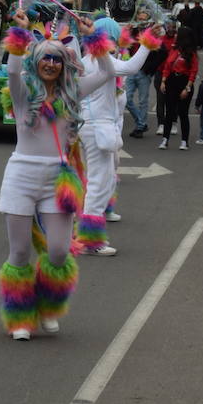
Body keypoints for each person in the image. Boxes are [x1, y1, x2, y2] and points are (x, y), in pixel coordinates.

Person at [0, 11, 105, 341]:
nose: (51, 64)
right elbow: (13, 68)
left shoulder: (73, 94)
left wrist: (94, 39)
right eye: (45, 58)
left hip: (57, 180)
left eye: (57, 59)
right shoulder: (22, 94)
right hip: (21, 176)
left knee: (58, 252)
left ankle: (48, 307)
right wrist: (19, 30)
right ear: (36, 62)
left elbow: (109, 71)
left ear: (64, 64)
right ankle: (19, 317)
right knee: (19, 253)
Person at [72, 18, 160, 257]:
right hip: (98, 127)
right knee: (100, 184)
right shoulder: (99, 61)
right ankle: (89, 240)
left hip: (91, 126)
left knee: (97, 181)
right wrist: (147, 43)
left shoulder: (87, 60)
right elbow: (131, 68)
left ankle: (78, 228)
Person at [158, 28, 198, 151]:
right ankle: (165, 139)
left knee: (183, 113)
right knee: (169, 112)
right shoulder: (174, 50)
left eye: (177, 35)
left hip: (185, 82)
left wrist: (188, 88)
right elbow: (167, 67)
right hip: (171, 82)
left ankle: (184, 141)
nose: (175, 36)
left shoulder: (191, 53)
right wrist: (163, 81)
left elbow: (193, 71)